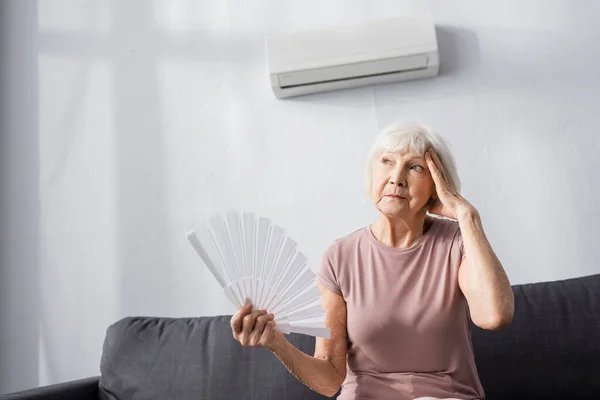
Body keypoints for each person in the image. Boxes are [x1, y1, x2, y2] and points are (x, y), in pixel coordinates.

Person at [229, 122, 515, 399]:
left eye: (414, 167)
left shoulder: (457, 240)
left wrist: (468, 217)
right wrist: (276, 343)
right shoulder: (340, 257)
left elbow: (494, 316)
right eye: (387, 162)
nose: (396, 177)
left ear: (438, 186)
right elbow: (330, 382)